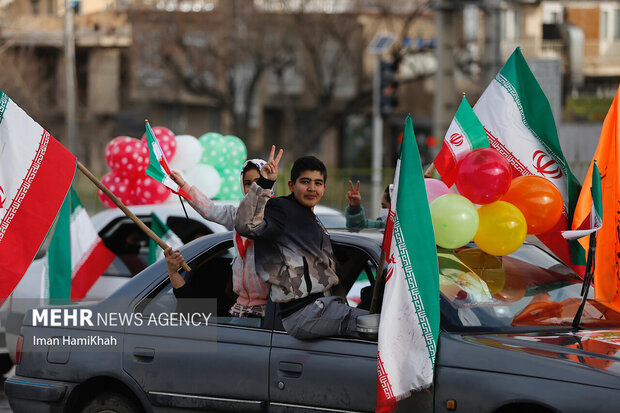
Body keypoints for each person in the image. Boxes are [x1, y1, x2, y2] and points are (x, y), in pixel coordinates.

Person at [235, 152, 368, 339]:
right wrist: (265, 183)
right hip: (302, 312)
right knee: (380, 327)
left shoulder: (312, 220)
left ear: (324, 188)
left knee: (377, 321)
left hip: (323, 307)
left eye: (318, 183)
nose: (312, 188)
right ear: (291, 185)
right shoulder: (280, 209)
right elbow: (247, 225)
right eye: (305, 182)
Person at [163, 154, 280, 318]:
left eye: (258, 182)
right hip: (241, 305)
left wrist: (265, 186)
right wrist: (184, 185)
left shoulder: (276, 217)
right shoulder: (238, 214)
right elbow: (211, 210)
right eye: (248, 183)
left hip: (269, 309)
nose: (253, 188)